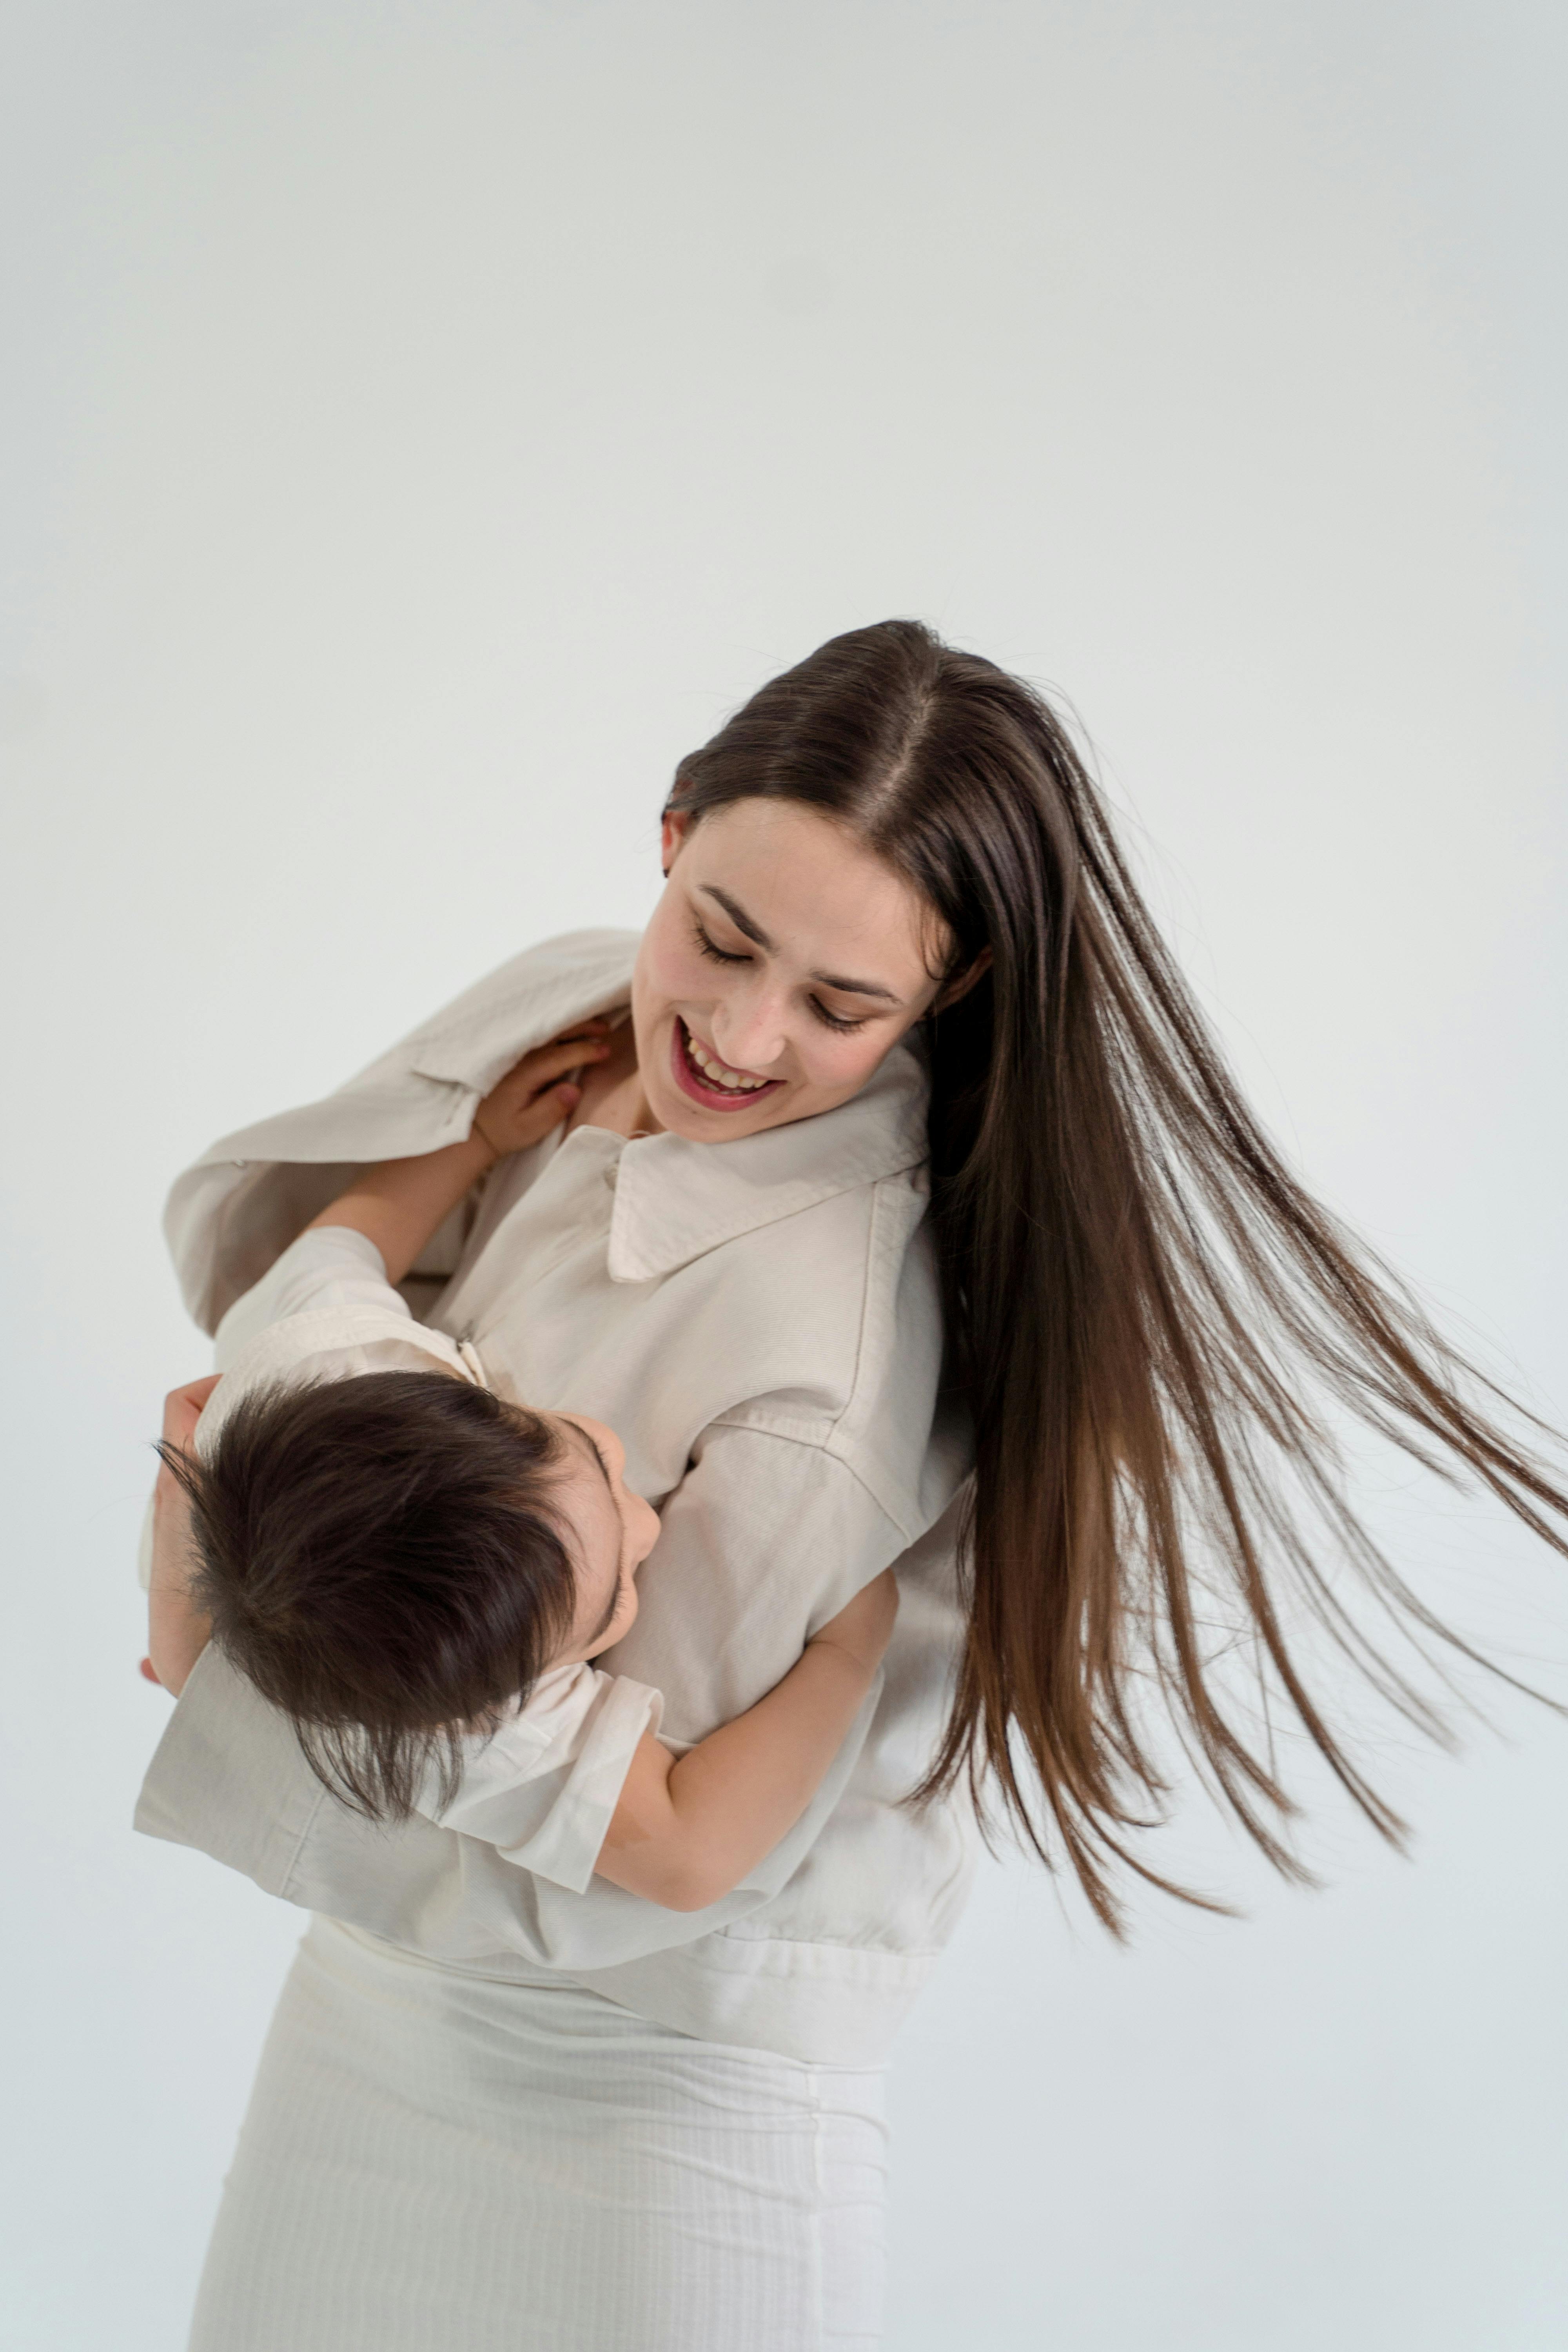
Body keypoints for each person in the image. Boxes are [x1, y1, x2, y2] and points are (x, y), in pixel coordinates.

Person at [138, 620, 1568, 2351]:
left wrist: (216, 1641)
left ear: (946, 995)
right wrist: (473, 1141)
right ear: (670, 834)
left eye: (840, 1005)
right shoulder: (575, 1015)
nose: (736, 1036)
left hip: (651, 2103)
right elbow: (300, 1408)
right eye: (720, 938)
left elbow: (631, 1846)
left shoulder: (825, 1359)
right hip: (372, 2005)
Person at [145, 1027, 900, 1916]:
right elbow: (689, 1859)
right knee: (194, 1655)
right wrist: (851, 1649)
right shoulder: (476, 1716)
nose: (650, 1526)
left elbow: (340, 1243)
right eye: (619, 1598)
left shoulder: (328, 1351)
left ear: (477, 1402)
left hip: (252, 1434)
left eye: (602, 1465)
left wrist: (477, 1142)